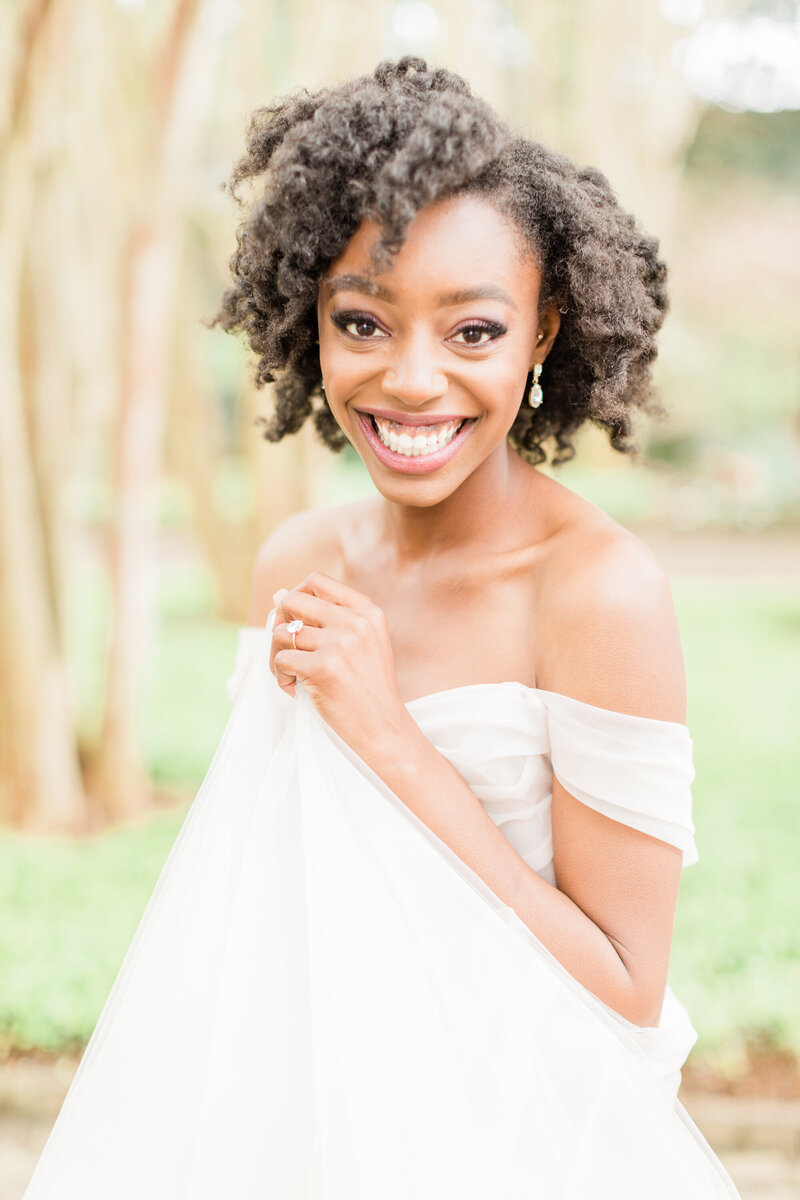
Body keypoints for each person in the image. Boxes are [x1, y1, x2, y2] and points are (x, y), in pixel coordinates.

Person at [23, 57, 740, 1198]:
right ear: (309, 321)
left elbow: (623, 990)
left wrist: (392, 738)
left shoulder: (596, 592)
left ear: (542, 336)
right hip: (292, 1132)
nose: (411, 381)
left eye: (471, 333)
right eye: (362, 320)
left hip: (504, 1148)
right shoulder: (295, 566)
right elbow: (261, 896)